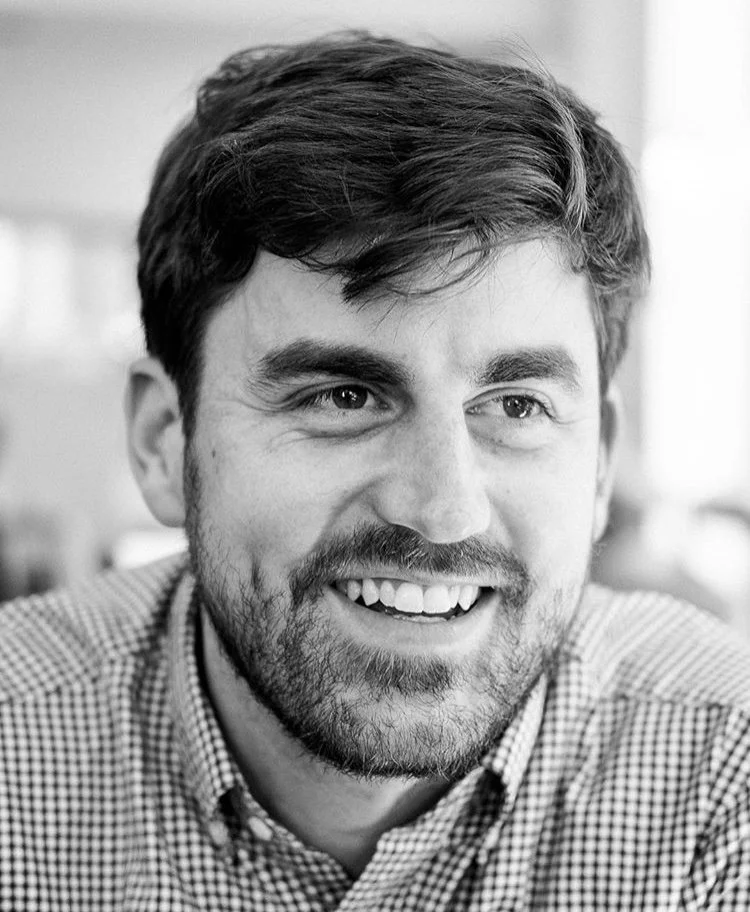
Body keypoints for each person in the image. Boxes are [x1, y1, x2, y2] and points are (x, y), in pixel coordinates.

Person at [1, 32, 748, 911]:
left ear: (598, 468)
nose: (443, 510)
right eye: (344, 396)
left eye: (516, 407)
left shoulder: (720, 774)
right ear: (165, 440)